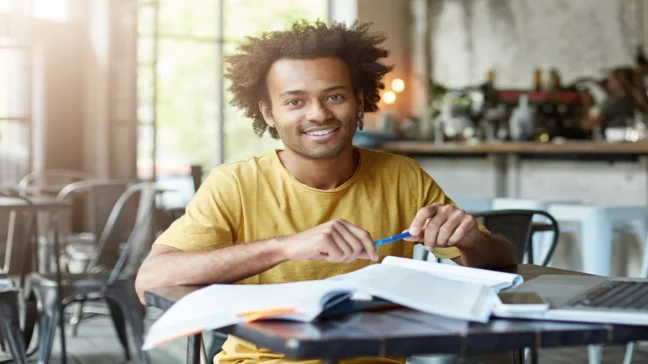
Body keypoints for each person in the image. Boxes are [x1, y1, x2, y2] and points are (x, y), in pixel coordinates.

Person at [134, 20, 517, 364]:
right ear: (268, 113)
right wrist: (284, 247)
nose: (318, 114)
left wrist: (471, 242)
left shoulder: (402, 176)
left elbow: (501, 267)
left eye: (334, 96)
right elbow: (150, 280)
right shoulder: (234, 184)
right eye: (295, 101)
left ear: (360, 100)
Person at [580, 66, 648, 135]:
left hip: (611, 144)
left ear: (618, 83)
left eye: (611, 80)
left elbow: (587, 125)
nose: (609, 82)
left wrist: (586, 103)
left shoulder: (617, 102)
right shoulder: (631, 100)